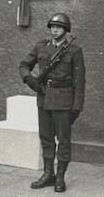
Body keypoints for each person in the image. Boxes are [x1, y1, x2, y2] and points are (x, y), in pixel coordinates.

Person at [19, 13, 85, 193]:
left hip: (64, 101)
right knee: (46, 139)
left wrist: (77, 107)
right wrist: (29, 79)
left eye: (59, 27)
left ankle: (61, 176)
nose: (55, 30)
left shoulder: (74, 50)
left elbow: (80, 82)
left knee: (63, 140)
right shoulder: (41, 46)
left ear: (66, 30)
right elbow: (24, 64)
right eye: (52, 27)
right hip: (44, 98)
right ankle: (49, 173)